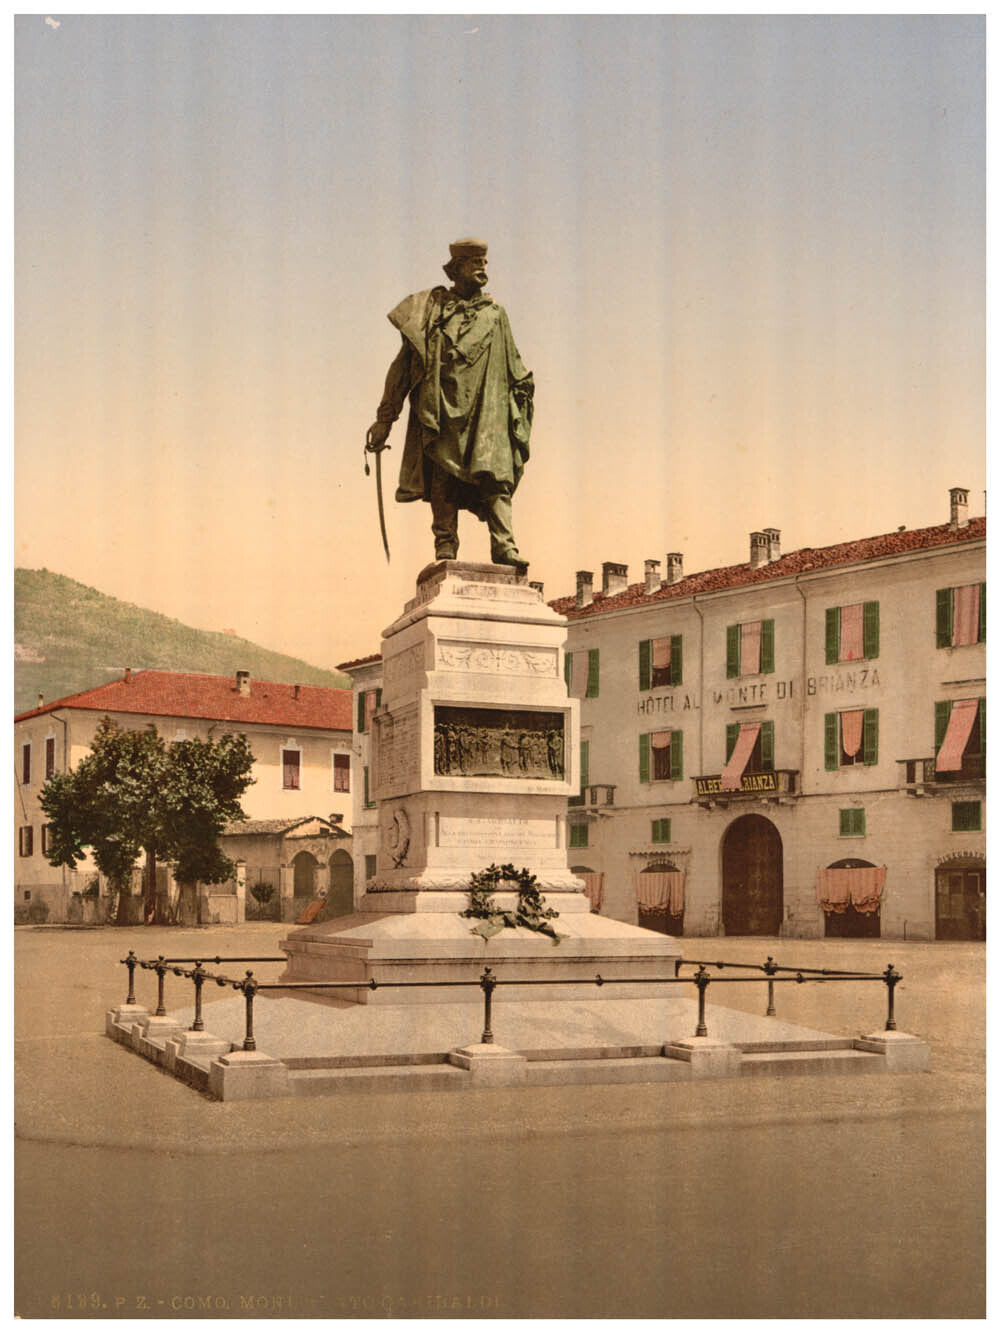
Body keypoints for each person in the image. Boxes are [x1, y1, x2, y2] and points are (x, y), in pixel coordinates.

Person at [366, 239, 534, 569]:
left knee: (495, 475)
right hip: (441, 408)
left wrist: (520, 400)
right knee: (443, 477)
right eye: (474, 262)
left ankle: (504, 546)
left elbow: (515, 365)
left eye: (484, 262)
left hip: (487, 410)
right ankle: (445, 545)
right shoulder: (430, 311)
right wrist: (385, 418)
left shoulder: (496, 315)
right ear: (455, 269)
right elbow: (403, 366)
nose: (482, 267)